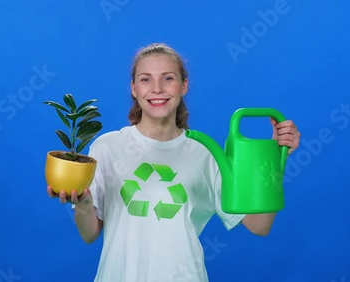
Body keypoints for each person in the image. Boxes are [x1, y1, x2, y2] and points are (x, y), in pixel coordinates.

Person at [47, 43, 301, 281]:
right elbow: (90, 234)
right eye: (146, 79)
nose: (157, 88)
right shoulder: (107, 147)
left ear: (183, 86)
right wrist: (84, 204)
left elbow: (260, 225)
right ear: (134, 88)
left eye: (167, 78)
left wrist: (275, 159)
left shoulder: (207, 153)